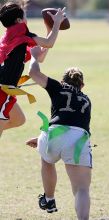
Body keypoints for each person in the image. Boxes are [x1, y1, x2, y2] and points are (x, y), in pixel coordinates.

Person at [26, 46, 92, 220]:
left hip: (53, 135)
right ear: (82, 85)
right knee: (82, 189)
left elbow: (33, 72)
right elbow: (73, 123)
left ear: (63, 81)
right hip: (78, 139)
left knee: (47, 159)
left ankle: (49, 199)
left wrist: (33, 56)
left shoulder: (57, 87)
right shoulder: (86, 99)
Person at [0, 1, 66, 137]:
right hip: (2, 93)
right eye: (24, 16)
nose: (26, 20)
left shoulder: (13, 38)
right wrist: (57, 23)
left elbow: (39, 56)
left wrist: (50, 29)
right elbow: (49, 43)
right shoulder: (22, 35)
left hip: (6, 90)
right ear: (19, 20)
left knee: (18, 119)